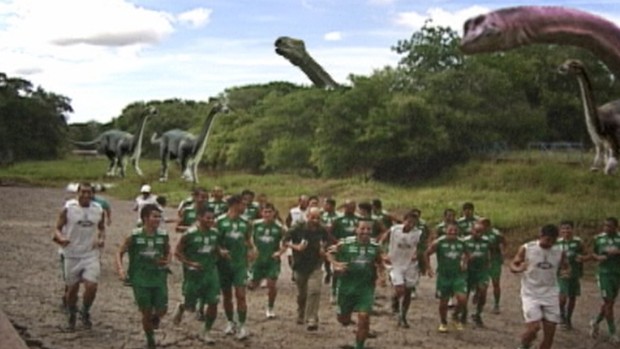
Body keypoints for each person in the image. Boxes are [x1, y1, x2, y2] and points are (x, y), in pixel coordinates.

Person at [116, 204, 170, 349]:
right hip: (140, 278)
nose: (158, 219)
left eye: (159, 216)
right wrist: (121, 270)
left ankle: (156, 317)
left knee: (162, 310)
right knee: (145, 312)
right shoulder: (135, 235)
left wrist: (166, 260)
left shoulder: (163, 236)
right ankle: (150, 340)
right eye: (155, 216)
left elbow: (167, 251)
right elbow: (119, 252)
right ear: (145, 218)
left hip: (158, 277)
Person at [53, 182, 105, 330]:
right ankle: (71, 313)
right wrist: (61, 238)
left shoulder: (98, 210)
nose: (86, 195)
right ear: (78, 193)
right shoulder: (69, 208)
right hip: (71, 254)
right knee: (72, 289)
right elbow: (57, 229)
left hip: (90, 254)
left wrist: (101, 239)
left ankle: (85, 310)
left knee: (92, 286)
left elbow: (102, 228)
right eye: (83, 192)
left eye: (89, 192)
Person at [510, 224, 569, 349]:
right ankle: (524, 345)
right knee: (534, 328)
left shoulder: (559, 251)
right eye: (548, 240)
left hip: (551, 293)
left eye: (553, 241)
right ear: (541, 236)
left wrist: (566, 272)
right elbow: (513, 264)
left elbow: (566, 266)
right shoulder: (527, 248)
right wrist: (518, 268)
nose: (550, 243)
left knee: (549, 335)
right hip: (531, 293)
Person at [328, 220, 384, 349]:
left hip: (365, 288)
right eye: (362, 229)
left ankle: (359, 346)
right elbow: (329, 253)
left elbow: (379, 262)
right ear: (356, 229)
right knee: (344, 320)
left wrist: (382, 277)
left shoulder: (375, 247)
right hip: (346, 288)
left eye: (368, 229)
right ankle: (345, 316)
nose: (365, 232)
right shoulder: (345, 244)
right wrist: (336, 265)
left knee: (364, 318)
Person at [171, 206, 221, 344]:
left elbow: (215, 247)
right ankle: (182, 306)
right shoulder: (190, 234)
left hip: (211, 272)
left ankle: (206, 331)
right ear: (199, 218)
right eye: (208, 218)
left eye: (213, 218)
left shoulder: (215, 233)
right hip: (194, 274)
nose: (211, 220)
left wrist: (221, 252)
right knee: (190, 305)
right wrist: (190, 263)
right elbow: (177, 252)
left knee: (213, 302)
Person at [216, 194, 257, 340]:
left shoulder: (246, 222)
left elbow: (248, 239)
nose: (245, 207)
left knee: (241, 295)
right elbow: (214, 241)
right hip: (224, 265)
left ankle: (242, 325)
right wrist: (220, 250)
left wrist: (253, 249)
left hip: (240, 264)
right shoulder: (219, 221)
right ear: (235, 204)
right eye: (243, 204)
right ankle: (230, 321)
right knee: (227, 295)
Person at [285, 207, 329, 330]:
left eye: (318, 218)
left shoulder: (322, 229)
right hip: (300, 264)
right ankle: (301, 311)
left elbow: (326, 241)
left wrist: (323, 248)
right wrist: (296, 246)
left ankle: (312, 319)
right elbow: (285, 241)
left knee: (314, 291)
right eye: (313, 217)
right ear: (307, 216)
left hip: (316, 264)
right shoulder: (298, 228)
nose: (315, 220)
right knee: (302, 293)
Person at [425, 223, 468, 333]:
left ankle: (455, 316)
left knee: (462, 299)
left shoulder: (462, 243)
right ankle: (443, 322)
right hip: (444, 276)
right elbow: (426, 254)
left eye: (455, 230)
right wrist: (429, 268)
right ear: (446, 230)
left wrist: (464, 263)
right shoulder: (439, 242)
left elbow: (468, 254)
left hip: (457, 276)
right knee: (443, 302)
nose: (453, 232)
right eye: (450, 230)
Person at [382, 211, 423, 328]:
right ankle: (395, 300)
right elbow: (382, 240)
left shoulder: (418, 233)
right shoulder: (394, 230)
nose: (411, 225)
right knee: (400, 289)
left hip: (410, 264)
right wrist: (384, 254)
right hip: (395, 263)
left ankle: (403, 315)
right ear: (404, 220)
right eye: (409, 221)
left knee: (408, 291)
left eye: (414, 223)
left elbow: (423, 247)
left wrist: (418, 254)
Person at [248, 203, 287, 318]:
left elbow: (286, 242)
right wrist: (251, 249)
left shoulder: (279, 227)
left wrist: (279, 252)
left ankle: (270, 307)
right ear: (261, 213)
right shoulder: (255, 225)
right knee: (253, 285)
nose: (267, 214)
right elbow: (247, 238)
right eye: (265, 212)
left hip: (272, 260)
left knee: (271, 284)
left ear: (274, 213)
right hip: (258, 259)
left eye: (270, 212)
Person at [589, 217, 620, 343]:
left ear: (616, 227)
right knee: (608, 302)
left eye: (610, 226)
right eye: (605, 225)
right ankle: (613, 332)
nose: (607, 228)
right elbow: (592, 253)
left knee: (610, 303)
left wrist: (617, 252)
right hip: (604, 274)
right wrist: (598, 257)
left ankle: (595, 322)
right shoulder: (599, 238)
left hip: (617, 273)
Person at [555, 220, 587, 330]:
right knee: (562, 296)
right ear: (560, 230)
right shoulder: (557, 243)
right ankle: (561, 315)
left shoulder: (578, 242)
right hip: (561, 273)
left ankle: (569, 318)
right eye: (563, 229)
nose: (566, 231)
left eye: (568, 228)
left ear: (572, 229)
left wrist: (582, 258)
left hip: (575, 273)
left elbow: (587, 254)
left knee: (572, 297)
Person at [463, 219, 492, 326]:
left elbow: (488, 253)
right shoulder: (465, 241)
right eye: (476, 231)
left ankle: (478, 313)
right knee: (465, 293)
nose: (478, 234)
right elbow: (461, 255)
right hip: (469, 271)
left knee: (483, 292)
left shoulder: (487, 241)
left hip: (482, 271)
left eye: (480, 232)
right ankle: (463, 312)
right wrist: (466, 261)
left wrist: (489, 263)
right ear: (472, 231)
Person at [330, 199, 359, 304]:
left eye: (353, 207)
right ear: (345, 207)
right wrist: (336, 242)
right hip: (341, 248)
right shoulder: (338, 219)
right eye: (348, 206)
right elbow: (330, 233)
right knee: (338, 270)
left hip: (355, 248)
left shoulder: (358, 220)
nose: (351, 209)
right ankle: (333, 291)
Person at [480, 217, 506, 314]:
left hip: (494, 260)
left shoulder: (496, 234)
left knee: (496, 283)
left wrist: (502, 254)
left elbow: (503, 243)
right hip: (483, 261)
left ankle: (496, 304)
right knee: (482, 283)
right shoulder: (479, 233)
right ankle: (481, 303)